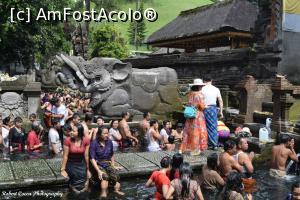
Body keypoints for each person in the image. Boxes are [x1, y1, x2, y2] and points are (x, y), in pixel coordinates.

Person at [89, 127, 124, 198]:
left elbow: (111, 154)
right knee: (105, 176)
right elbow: (92, 159)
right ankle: (103, 192)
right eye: (104, 133)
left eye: (107, 133)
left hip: (107, 163)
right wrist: (98, 171)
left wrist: (113, 166)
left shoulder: (109, 142)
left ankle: (116, 190)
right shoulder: (94, 143)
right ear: (99, 134)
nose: (106, 135)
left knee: (116, 176)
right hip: (98, 164)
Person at [180, 79, 208, 155]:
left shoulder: (191, 94)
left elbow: (189, 104)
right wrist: (206, 107)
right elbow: (201, 107)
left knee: (190, 131)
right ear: (199, 86)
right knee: (198, 131)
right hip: (198, 115)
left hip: (190, 114)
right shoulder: (200, 95)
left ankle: (189, 148)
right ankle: (196, 149)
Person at [61, 124, 90, 194]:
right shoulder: (67, 140)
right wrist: (63, 169)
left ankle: (81, 191)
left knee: (84, 175)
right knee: (74, 175)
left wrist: (88, 169)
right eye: (71, 130)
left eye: (73, 131)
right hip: (71, 162)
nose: (71, 132)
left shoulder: (86, 140)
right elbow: (65, 156)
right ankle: (74, 190)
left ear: (79, 133)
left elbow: (86, 156)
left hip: (81, 162)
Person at [202, 77, 224, 150]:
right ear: (211, 80)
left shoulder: (202, 89)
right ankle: (214, 143)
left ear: (204, 81)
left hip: (204, 108)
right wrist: (221, 111)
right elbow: (220, 100)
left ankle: (208, 143)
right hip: (213, 109)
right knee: (213, 126)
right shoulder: (216, 89)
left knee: (205, 126)